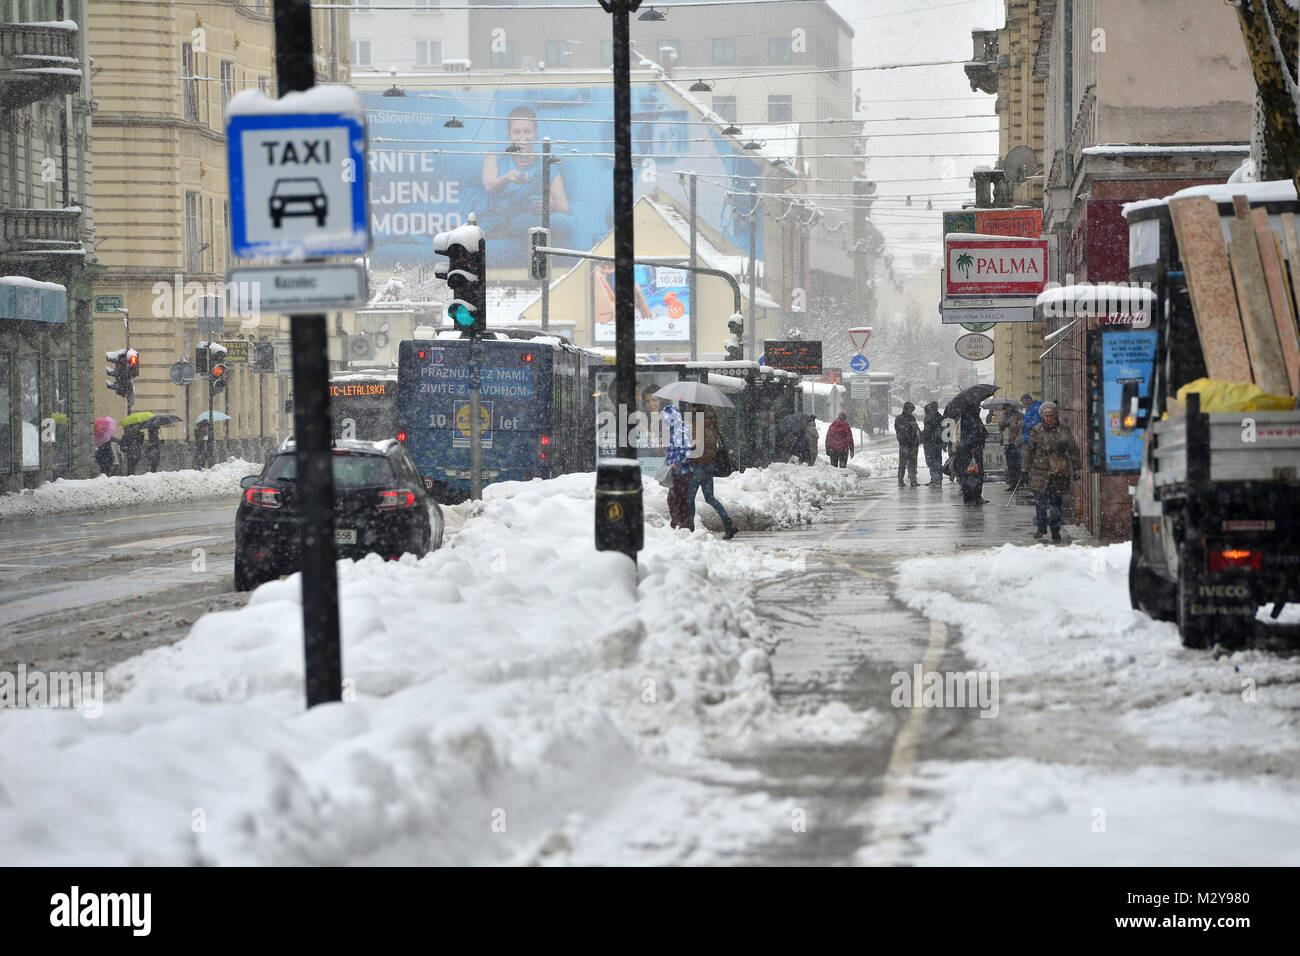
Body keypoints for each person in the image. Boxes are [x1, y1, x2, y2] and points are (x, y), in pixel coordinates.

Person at [1024, 401, 1082, 541]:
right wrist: (1024, 469)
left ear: (1056, 415)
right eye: (1047, 416)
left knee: (1056, 504)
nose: (1050, 418)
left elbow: (1073, 449)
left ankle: (1055, 530)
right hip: (1040, 472)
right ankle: (1041, 527)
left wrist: (1076, 468)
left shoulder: (1064, 429)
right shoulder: (1037, 430)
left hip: (1058, 472)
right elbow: (1029, 451)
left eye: (1052, 415)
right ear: (1042, 416)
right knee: (1040, 503)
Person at [685, 402, 737, 539]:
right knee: (710, 497)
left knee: (689, 498)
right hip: (709, 464)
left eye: (691, 406)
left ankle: (690, 529)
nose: (689, 408)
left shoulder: (697, 424)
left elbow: (695, 445)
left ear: (697, 408)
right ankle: (728, 523)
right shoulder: (712, 423)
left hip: (698, 465)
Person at [661, 400, 693, 530]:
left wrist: (676, 463)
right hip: (679, 471)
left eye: (665, 419)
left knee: (679, 499)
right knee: (675, 498)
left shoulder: (681, 430)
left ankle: (682, 525)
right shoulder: (676, 430)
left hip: (683, 471)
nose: (664, 422)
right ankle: (678, 523)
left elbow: (687, 449)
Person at [952, 411, 988, 505]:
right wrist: (972, 446)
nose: (979, 408)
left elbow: (980, 432)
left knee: (977, 474)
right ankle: (969, 497)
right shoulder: (966, 420)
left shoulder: (974, 419)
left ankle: (976, 496)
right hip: (969, 451)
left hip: (974, 449)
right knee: (969, 474)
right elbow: (967, 436)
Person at [894, 401, 920, 487]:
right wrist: (909, 426)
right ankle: (900, 481)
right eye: (910, 409)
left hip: (912, 444)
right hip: (904, 444)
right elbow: (900, 429)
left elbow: (915, 429)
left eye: (912, 410)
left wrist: (915, 429)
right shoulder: (899, 418)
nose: (911, 411)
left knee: (912, 463)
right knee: (902, 464)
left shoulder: (912, 418)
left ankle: (913, 480)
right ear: (906, 409)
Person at [920, 400, 945, 486]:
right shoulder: (940, 416)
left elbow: (928, 430)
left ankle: (935, 480)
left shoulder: (929, 417)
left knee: (931, 461)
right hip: (938, 442)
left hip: (930, 442)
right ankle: (938, 479)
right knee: (938, 460)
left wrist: (922, 436)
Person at [999, 404, 1024, 490]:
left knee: (1016, 464)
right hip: (1006, 442)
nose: (1006, 410)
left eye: (1007, 408)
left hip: (1015, 442)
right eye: (1005, 409)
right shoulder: (1003, 416)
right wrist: (1003, 422)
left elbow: (1021, 429)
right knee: (1010, 464)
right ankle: (1012, 483)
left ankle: (1018, 483)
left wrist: (1017, 439)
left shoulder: (1018, 416)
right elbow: (1001, 427)